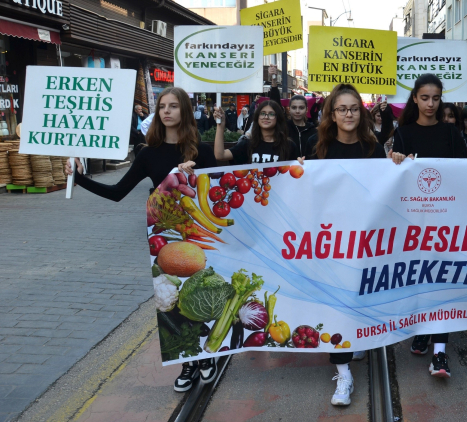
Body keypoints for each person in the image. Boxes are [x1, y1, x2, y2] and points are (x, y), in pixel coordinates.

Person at [64, 87, 218, 391]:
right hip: (164, 233)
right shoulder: (148, 153)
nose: (166, 111)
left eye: (173, 106)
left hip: (199, 230)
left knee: (200, 288)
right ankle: (187, 359)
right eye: (162, 106)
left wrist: (195, 174)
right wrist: (78, 177)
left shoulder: (201, 150)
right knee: (170, 295)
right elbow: (117, 192)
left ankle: (206, 355)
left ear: (185, 111)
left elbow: (224, 187)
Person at [299, 83, 386, 406]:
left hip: (364, 240)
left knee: (358, 297)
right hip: (330, 241)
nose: (348, 114)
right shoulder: (317, 148)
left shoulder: (373, 148)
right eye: (342, 109)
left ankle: (356, 336)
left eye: (354, 109)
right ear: (331, 115)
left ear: (361, 113)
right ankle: (343, 373)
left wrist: (398, 164)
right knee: (336, 303)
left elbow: (385, 189)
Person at [391, 73, 467, 379]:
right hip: (414, 223)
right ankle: (422, 329)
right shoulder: (403, 132)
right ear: (414, 98)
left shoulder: (451, 133)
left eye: (436, 98)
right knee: (419, 280)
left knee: (441, 283)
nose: (431, 104)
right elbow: (396, 178)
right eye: (424, 98)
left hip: (445, 223)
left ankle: (440, 352)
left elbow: (465, 171)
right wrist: (396, 160)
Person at [213, 99, 295, 165]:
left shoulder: (289, 145)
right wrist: (220, 125)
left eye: (271, 114)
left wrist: (300, 163)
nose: (266, 117)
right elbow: (220, 155)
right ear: (257, 117)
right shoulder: (248, 144)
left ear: (278, 118)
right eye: (262, 113)